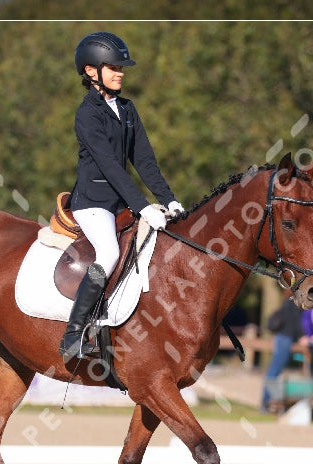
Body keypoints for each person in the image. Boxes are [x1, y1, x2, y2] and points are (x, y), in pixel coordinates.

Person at [59, 32, 185, 359]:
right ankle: (73, 334)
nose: (120, 72)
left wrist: (168, 199)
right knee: (110, 254)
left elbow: (143, 161)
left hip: (119, 204)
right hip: (93, 203)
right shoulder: (86, 115)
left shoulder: (128, 109)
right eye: (113, 67)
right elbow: (112, 167)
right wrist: (144, 207)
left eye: (121, 67)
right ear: (90, 72)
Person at [260, 291, 307, 412]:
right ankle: (265, 401)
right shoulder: (294, 301)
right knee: (274, 370)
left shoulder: (288, 300)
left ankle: (266, 401)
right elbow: (296, 320)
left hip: (283, 337)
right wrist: (302, 335)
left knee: (274, 370)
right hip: (286, 337)